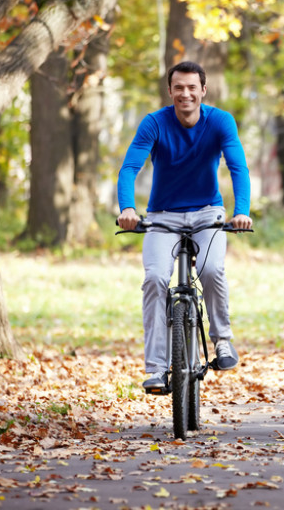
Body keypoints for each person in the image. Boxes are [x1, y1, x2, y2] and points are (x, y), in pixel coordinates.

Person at [117, 61, 253, 390]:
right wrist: (128, 208)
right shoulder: (154, 123)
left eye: (192, 87)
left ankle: (222, 340)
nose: (186, 93)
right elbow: (129, 168)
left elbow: (238, 167)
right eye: (179, 87)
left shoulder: (220, 121)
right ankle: (156, 368)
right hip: (163, 216)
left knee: (211, 270)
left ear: (203, 90)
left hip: (208, 213)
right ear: (170, 91)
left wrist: (241, 211)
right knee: (154, 279)